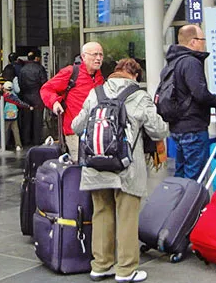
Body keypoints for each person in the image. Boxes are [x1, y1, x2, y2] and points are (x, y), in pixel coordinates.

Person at [71, 58, 168, 283]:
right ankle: (125, 270)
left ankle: (100, 266)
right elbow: (158, 130)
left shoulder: (96, 92)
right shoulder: (139, 95)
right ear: (135, 75)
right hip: (127, 167)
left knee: (101, 213)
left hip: (95, 164)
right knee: (127, 217)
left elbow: (76, 126)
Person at [162, 24, 216, 180]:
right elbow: (200, 94)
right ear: (193, 42)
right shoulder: (191, 62)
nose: (204, 43)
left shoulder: (171, 63)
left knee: (180, 177)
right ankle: (193, 205)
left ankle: (179, 205)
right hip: (193, 128)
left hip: (177, 128)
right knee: (195, 179)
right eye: (202, 39)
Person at [41, 42, 105, 158]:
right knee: (80, 167)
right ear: (83, 56)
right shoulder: (71, 72)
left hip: (96, 132)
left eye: (101, 55)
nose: (98, 58)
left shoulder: (100, 77)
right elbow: (46, 89)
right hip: (75, 132)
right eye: (94, 54)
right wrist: (54, 102)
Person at [18, 50, 48, 146]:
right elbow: (44, 83)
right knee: (37, 120)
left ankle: (26, 140)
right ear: (37, 58)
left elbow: (20, 83)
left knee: (26, 120)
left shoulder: (22, 69)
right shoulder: (40, 68)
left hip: (26, 96)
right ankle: (36, 140)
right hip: (37, 95)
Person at [0, 81, 30, 152]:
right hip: (14, 116)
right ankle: (18, 145)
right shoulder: (14, 97)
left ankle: (3, 145)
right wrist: (28, 106)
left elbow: (0, 106)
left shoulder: (3, 97)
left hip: (6, 116)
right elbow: (20, 103)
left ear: (4, 89)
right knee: (16, 131)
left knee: (5, 131)